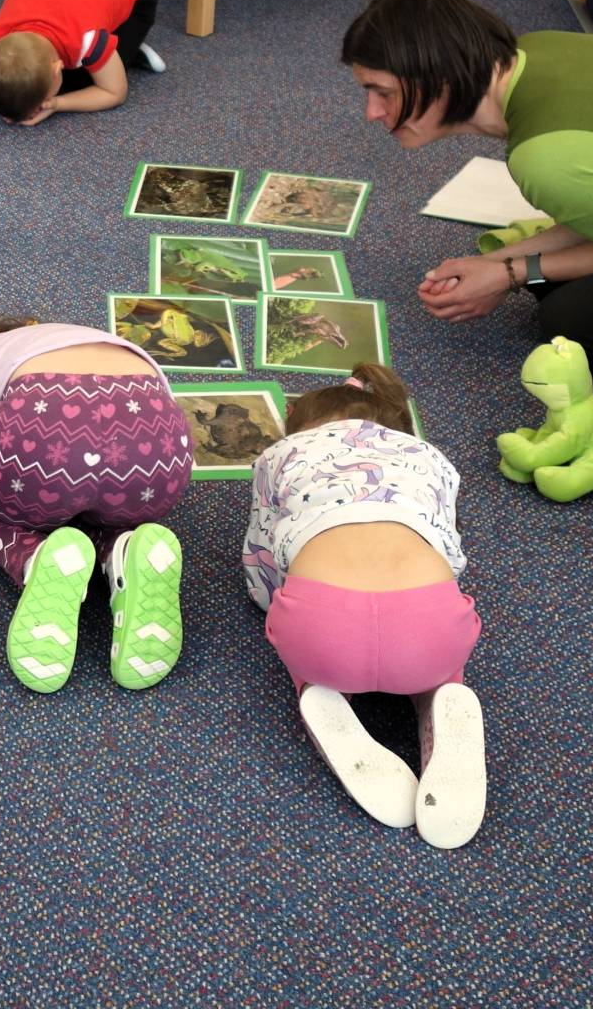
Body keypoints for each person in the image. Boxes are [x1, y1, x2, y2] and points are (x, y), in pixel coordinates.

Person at [341, 0, 593, 401]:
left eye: (383, 93)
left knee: (572, 318)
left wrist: (509, 272)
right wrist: (496, 262)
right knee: (552, 278)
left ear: (441, 79)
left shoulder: (543, 159)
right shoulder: (531, 50)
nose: (372, 112)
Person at [242, 363, 484, 850]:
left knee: (302, 631)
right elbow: (452, 552)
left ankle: (323, 692)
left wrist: (271, 601)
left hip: (324, 633)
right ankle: (441, 693)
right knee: (437, 655)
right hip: (430, 630)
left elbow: (261, 558)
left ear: (299, 423)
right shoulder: (430, 456)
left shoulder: (279, 456)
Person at [0, 317, 190, 694]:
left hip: (44, 423)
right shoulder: (86, 336)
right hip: (156, 441)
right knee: (115, 513)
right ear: (27, 325)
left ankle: (35, 557)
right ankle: (123, 548)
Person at [0, 0, 162, 127]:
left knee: (79, 82)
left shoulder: (85, 40)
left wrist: (58, 104)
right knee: (23, 80)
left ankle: (122, 49)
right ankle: (108, 56)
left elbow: (115, 93)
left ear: (57, 68)